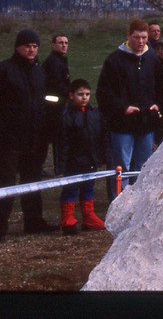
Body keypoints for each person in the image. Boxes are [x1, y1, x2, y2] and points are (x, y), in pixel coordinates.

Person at [0, 28, 57, 240]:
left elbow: (43, 103)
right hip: (10, 139)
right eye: (27, 46)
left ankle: (34, 221)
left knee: (32, 180)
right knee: (6, 181)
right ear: (18, 47)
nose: (32, 50)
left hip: (35, 139)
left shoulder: (39, 72)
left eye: (35, 46)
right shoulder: (2, 71)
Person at [96, 19, 159, 199]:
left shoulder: (152, 58)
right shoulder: (114, 60)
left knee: (143, 166)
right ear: (128, 36)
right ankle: (119, 204)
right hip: (122, 124)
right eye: (136, 37)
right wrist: (123, 108)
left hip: (146, 124)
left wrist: (157, 104)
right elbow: (103, 93)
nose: (140, 41)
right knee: (121, 167)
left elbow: (161, 86)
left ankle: (139, 203)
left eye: (144, 38)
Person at [55, 80, 110, 235]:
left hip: (91, 159)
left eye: (87, 94)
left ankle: (89, 217)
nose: (84, 97)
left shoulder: (95, 114)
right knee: (70, 189)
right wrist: (61, 164)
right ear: (71, 95)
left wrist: (103, 157)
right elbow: (62, 143)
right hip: (73, 161)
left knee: (88, 188)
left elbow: (103, 137)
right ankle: (67, 219)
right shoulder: (66, 116)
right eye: (80, 94)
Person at [41, 32, 71, 157]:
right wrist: (70, 93)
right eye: (60, 43)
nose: (64, 45)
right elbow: (56, 85)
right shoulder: (54, 62)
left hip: (57, 104)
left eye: (66, 43)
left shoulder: (60, 60)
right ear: (53, 45)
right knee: (55, 139)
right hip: (52, 108)